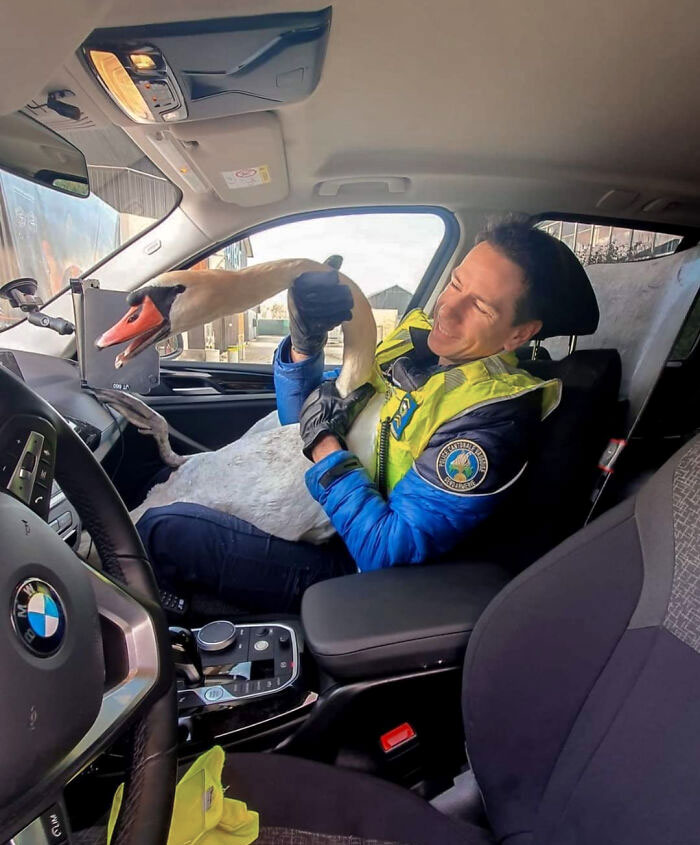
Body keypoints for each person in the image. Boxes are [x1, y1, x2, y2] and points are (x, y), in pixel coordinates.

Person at [137, 220, 587, 613]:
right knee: (164, 482)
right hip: (321, 511)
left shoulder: (493, 419)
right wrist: (304, 346)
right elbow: (300, 419)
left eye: (482, 307)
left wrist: (325, 447)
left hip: (355, 567)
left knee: (163, 532)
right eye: (455, 284)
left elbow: (387, 551)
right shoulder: (413, 343)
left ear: (519, 334)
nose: (448, 309)